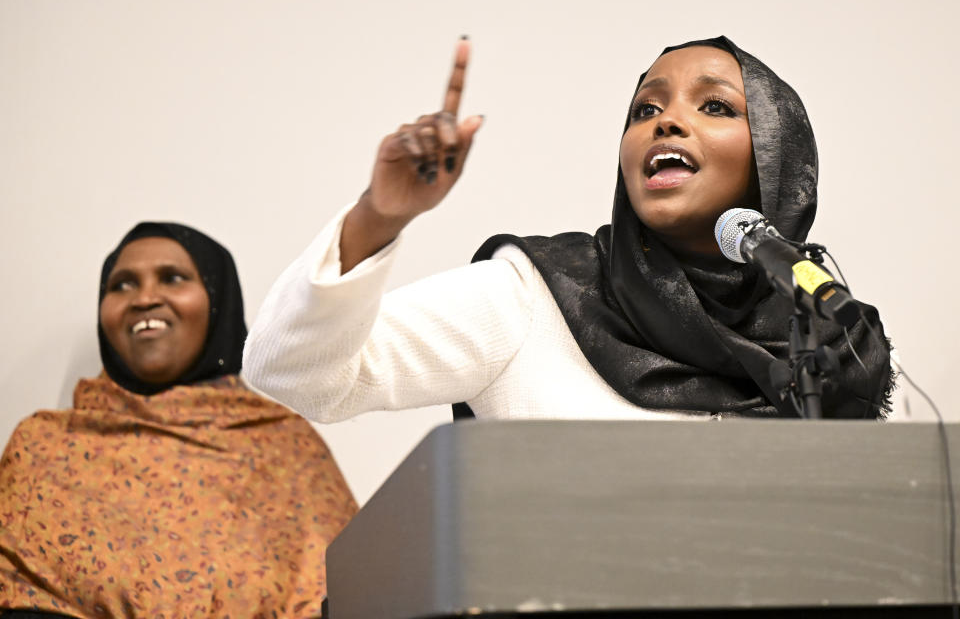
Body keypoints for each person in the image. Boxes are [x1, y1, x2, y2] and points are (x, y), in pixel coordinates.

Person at [242, 36, 892, 424]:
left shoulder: (829, 341)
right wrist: (378, 216)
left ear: (777, 161)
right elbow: (293, 376)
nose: (664, 123)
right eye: (646, 108)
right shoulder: (537, 296)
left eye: (715, 105)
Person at [0, 223, 357, 618]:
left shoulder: (286, 449)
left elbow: (360, 594)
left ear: (219, 302)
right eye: (121, 285)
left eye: (172, 278)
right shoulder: (44, 447)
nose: (145, 298)